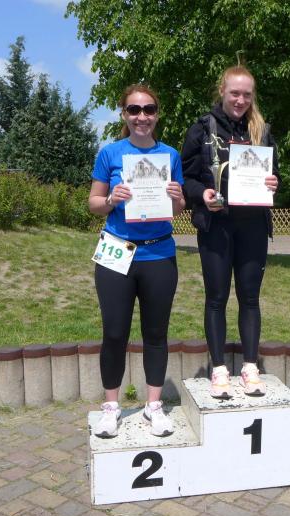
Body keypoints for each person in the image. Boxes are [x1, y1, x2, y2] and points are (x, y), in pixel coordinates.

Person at [89, 84, 186, 438]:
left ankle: (153, 406)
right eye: (134, 109)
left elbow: (178, 208)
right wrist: (111, 199)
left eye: (148, 109)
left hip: (158, 253)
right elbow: (94, 203)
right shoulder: (110, 153)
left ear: (157, 114)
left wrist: (177, 197)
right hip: (117, 253)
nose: (141, 116)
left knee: (156, 333)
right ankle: (111, 407)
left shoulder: (170, 155)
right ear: (124, 114)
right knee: (114, 332)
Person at [181, 65, 279, 399]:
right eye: (235, 93)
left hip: (253, 226)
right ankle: (219, 368)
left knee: (250, 298)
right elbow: (185, 177)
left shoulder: (262, 131)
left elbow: (275, 175)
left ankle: (250, 366)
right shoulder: (201, 128)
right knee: (216, 298)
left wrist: (273, 182)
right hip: (216, 226)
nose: (240, 100)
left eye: (246, 95)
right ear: (222, 90)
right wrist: (202, 194)